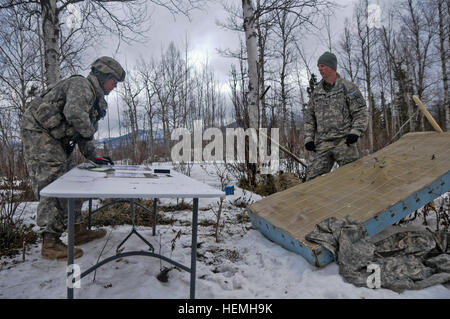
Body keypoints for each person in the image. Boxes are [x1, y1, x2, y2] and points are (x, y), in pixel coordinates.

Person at [20, 56, 126, 260]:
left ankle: (76, 230)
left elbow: (83, 132)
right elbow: (75, 115)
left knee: (73, 180)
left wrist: (94, 156)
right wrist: (90, 142)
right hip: (39, 131)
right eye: (113, 80)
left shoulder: (95, 99)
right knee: (53, 181)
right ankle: (50, 242)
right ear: (103, 75)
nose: (114, 86)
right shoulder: (82, 85)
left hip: (56, 137)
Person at [303, 51, 368, 181]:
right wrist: (309, 138)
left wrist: (355, 132)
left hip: (344, 142)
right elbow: (309, 118)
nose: (319, 69)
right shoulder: (317, 92)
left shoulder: (348, 87)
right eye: (318, 66)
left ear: (331, 67)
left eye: (322, 66)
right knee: (311, 181)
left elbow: (360, 111)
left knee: (355, 178)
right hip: (323, 144)